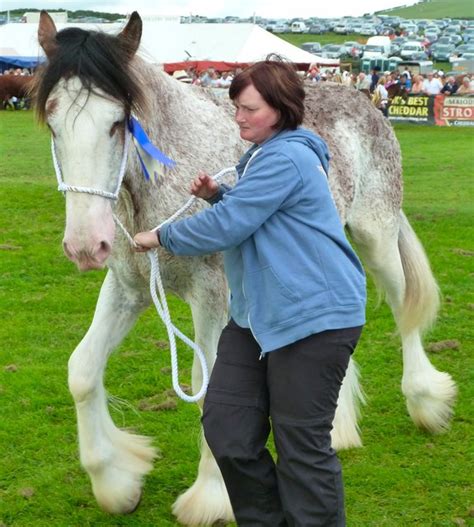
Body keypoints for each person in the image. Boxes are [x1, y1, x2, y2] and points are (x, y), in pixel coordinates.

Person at [134, 58, 366, 526]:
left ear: (279, 110)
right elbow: (254, 212)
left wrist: (162, 236)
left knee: (302, 448)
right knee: (226, 428)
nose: (238, 117)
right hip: (255, 320)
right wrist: (219, 195)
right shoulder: (263, 155)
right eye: (235, 107)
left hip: (314, 319)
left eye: (249, 109)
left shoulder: (289, 156)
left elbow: (232, 226)